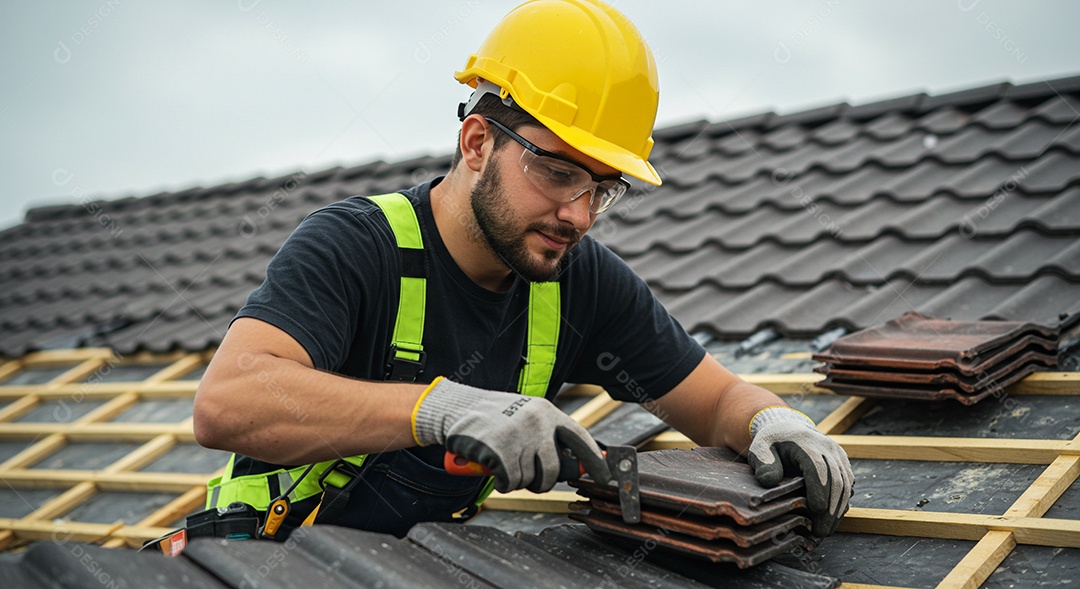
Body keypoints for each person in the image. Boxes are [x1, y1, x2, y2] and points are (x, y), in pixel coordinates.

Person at [193, 0, 852, 541]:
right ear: (477, 142)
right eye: (558, 172)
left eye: (602, 187)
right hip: (261, 558)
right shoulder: (356, 245)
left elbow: (714, 401)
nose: (580, 214)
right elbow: (225, 405)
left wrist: (775, 420)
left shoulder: (581, 281)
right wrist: (439, 408)